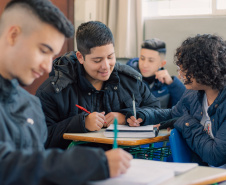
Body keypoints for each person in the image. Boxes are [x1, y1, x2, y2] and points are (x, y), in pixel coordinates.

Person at [0, 0, 133, 184]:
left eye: (52, 56)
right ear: (13, 35)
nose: (47, 66)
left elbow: (37, 171)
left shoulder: (30, 105)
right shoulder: (45, 95)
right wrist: (91, 164)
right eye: (42, 50)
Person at [36, 21, 161, 150]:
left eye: (110, 57)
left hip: (126, 162)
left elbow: (157, 112)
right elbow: (39, 138)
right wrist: (81, 124)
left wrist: (126, 117)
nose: (106, 66)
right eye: (97, 60)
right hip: (75, 166)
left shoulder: (130, 81)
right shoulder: (54, 90)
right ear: (80, 57)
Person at [129, 34, 226, 167]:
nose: (180, 74)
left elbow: (216, 156)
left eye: (184, 69)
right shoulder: (194, 94)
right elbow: (172, 114)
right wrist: (142, 115)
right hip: (204, 173)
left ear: (203, 70)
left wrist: (185, 122)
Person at [127, 38, 186, 108]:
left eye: (151, 60)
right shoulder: (127, 77)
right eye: (142, 58)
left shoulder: (166, 84)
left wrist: (172, 83)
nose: (144, 65)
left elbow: (184, 104)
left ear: (162, 63)